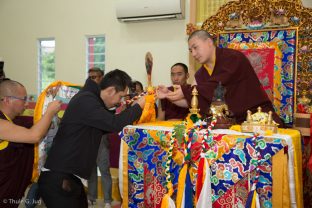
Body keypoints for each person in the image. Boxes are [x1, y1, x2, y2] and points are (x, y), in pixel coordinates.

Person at [38, 69, 145, 208]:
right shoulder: (87, 100)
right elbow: (114, 124)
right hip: (59, 178)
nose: (120, 102)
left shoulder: (91, 99)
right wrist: (138, 107)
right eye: (120, 97)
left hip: (69, 177)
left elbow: (109, 125)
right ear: (111, 91)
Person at [159, 30, 284, 126]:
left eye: (195, 47)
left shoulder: (233, 58)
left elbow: (215, 85)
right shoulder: (200, 74)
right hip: (227, 124)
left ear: (209, 42)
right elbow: (194, 101)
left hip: (256, 118)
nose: (193, 54)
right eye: (190, 51)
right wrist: (169, 96)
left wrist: (185, 91)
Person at [0, 79, 61, 208]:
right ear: (7, 100)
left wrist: (48, 99)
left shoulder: (14, 122)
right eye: (23, 99)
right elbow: (34, 135)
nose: (27, 104)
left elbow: (39, 123)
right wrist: (50, 112)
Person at [86, 67, 113, 208]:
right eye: (90, 77)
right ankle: (91, 197)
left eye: (95, 77)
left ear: (101, 78)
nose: (93, 80)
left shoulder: (106, 93)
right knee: (90, 170)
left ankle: (108, 200)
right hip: (89, 136)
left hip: (101, 137)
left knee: (104, 170)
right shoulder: (86, 93)